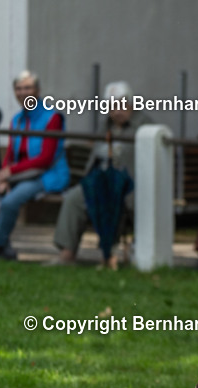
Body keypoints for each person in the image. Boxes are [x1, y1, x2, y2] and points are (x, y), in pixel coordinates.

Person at [47, 81, 153, 267]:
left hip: (129, 186)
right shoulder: (105, 126)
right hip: (100, 180)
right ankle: (67, 254)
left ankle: (108, 256)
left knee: (111, 200)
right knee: (74, 198)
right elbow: (95, 156)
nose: (117, 110)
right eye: (112, 106)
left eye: (121, 104)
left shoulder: (145, 126)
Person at [0, 71, 69, 260]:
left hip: (47, 175)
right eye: (18, 89)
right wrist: (3, 177)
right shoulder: (16, 120)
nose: (23, 92)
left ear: (38, 90)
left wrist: (9, 173)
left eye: (27, 88)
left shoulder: (52, 117)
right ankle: (5, 247)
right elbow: (10, 153)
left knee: (9, 202)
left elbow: (45, 159)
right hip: (21, 174)